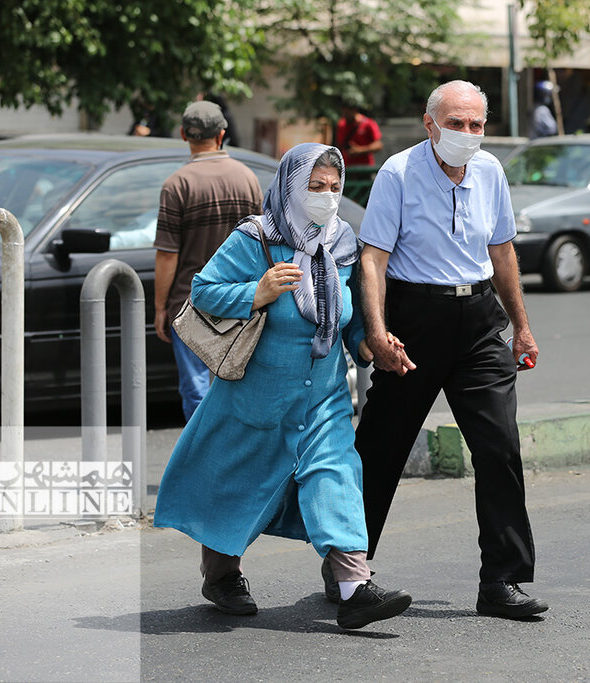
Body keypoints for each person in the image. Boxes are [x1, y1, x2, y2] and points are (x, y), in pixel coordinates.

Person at [154, 143, 413, 631]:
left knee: (335, 475)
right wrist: (258, 290)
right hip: (256, 396)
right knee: (239, 485)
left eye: (335, 188)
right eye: (315, 188)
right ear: (291, 186)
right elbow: (204, 291)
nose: (327, 198)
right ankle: (222, 576)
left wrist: (372, 347)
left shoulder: (342, 243)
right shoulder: (257, 239)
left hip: (324, 395)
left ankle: (355, 587)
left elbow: (350, 321)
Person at [342, 79, 548, 620]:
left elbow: (501, 249)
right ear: (430, 124)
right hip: (415, 318)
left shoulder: (490, 172)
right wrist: (378, 331)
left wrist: (520, 327)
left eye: (476, 125)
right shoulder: (398, 172)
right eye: (456, 123)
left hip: (480, 321)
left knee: (500, 446)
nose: (467, 134)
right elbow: (373, 258)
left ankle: (502, 580)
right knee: (381, 448)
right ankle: (349, 573)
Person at [153, 101, 263, 421]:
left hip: (189, 305)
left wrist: (161, 306)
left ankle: (201, 460)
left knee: (196, 390)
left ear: (184, 134)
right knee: (238, 385)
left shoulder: (177, 185)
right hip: (241, 300)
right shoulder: (248, 178)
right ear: (222, 135)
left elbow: (167, 254)